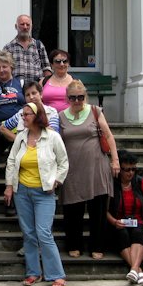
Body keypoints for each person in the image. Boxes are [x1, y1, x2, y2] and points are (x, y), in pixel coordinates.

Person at [3, 100, 69, 286]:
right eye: (22, 115)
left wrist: (57, 180)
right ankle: (33, 272)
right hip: (22, 191)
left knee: (43, 233)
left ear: (37, 116)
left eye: (27, 115)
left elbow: (63, 162)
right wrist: (9, 185)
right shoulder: (21, 137)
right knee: (29, 234)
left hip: (44, 192)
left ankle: (56, 274)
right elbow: (11, 161)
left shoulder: (53, 137)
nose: (23, 118)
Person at [58, 79, 119, 259]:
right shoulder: (60, 116)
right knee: (72, 209)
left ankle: (97, 246)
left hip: (96, 166)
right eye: (73, 97)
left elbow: (108, 135)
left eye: (80, 97)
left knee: (98, 209)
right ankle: (74, 244)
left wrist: (115, 160)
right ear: (67, 98)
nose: (77, 100)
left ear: (85, 96)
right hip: (72, 169)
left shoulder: (95, 111)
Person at [0, 80, 61, 218]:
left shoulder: (51, 112)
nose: (31, 97)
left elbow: (55, 134)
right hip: (24, 160)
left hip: (44, 163)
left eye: (34, 93)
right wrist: (18, 140)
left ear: (41, 94)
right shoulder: (22, 113)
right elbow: (2, 126)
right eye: (28, 95)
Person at [107, 149, 143, 285]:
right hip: (118, 223)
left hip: (138, 222)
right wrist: (113, 221)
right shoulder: (111, 183)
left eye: (133, 169)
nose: (130, 173)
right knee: (122, 234)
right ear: (119, 169)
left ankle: (134, 269)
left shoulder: (141, 183)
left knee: (137, 232)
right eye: (126, 170)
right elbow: (103, 210)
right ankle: (139, 271)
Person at [3, 14, 51, 86]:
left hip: (36, 87)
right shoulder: (9, 47)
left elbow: (46, 68)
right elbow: (4, 70)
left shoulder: (38, 45)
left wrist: (46, 85)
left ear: (31, 27)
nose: (25, 27)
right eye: (22, 24)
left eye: (28, 25)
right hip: (16, 87)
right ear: (16, 26)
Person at [40, 49, 74, 114]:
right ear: (51, 65)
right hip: (48, 120)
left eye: (65, 61)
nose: (61, 64)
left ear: (68, 64)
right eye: (58, 61)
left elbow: (83, 103)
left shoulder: (75, 82)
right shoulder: (43, 82)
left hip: (70, 120)